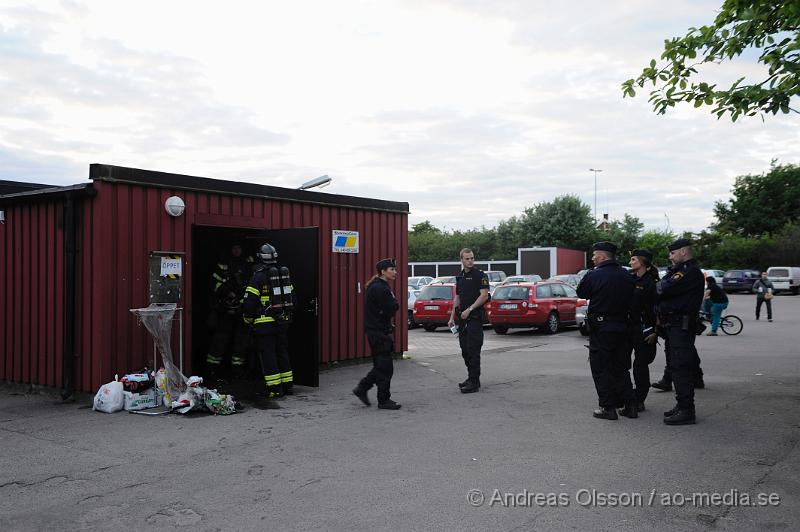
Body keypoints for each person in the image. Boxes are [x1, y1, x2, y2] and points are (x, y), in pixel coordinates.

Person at [576, 242, 635, 420]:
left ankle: (608, 407)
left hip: (602, 328)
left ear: (602, 256)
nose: (593, 258)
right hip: (622, 326)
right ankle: (630, 405)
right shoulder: (626, 275)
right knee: (621, 368)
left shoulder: (595, 275)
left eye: (594, 255)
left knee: (601, 368)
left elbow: (582, 292)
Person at [656, 238, 705, 425]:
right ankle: (682, 405)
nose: (670, 257)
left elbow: (662, 289)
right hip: (674, 325)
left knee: (681, 367)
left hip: (681, 325)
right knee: (677, 365)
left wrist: (661, 289)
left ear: (683, 252)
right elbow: (661, 288)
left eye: (673, 253)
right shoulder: (679, 271)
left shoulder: (688, 272)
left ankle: (686, 410)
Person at [243, 243, 296, 402]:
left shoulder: (258, 276)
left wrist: (247, 318)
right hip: (282, 322)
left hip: (264, 324)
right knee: (282, 352)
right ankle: (288, 386)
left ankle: (274, 389)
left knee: (269, 355)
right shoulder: (283, 276)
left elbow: (250, 302)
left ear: (260, 257)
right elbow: (294, 300)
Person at [353, 258, 401, 410]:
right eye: (392, 269)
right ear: (383, 271)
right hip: (378, 333)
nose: (395, 272)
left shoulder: (377, 286)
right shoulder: (381, 288)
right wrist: (394, 305)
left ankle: (362, 388)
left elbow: (383, 311)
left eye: (394, 269)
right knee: (385, 368)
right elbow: (392, 308)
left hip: (377, 331)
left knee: (381, 366)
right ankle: (383, 400)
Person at [205, 243, 254, 382]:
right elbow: (214, 283)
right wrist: (228, 293)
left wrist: (243, 297)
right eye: (234, 248)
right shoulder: (223, 265)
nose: (236, 251)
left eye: (239, 248)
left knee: (242, 340)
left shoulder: (248, 264)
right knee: (220, 340)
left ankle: (237, 370)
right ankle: (212, 370)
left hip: (242, 310)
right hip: (225, 310)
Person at [448, 248, 490, 394]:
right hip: (462, 320)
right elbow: (457, 297)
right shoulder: (460, 277)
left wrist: (470, 309)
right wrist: (452, 316)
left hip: (474, 319)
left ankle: (474, 382)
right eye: (467, 258)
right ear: (461, 260)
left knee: (473, 350)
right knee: (465, 350)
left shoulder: (480, 276)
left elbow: (484, 296)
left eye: (472, 258)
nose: (470, 261)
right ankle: (471, 377)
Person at [627, 249, 659, 412]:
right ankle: (627, 396)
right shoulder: (630, 279)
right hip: (628, 328)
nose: (630, 262)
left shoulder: (651, 283)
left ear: (642, 262)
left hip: (646, 330)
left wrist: (656, 331)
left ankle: (640, 398)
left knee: (640, 365)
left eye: (633, 259)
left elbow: (659, 310)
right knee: (623, 363)